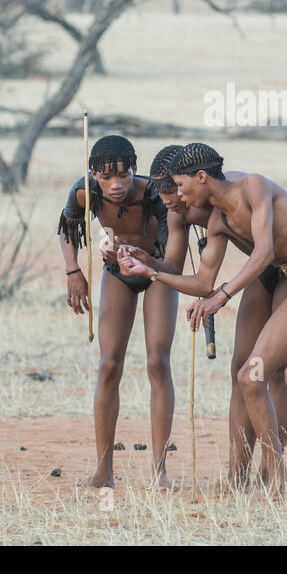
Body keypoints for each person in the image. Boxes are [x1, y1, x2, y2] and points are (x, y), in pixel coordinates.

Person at [153, 142, 287, 493]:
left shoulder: (253, 186)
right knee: (249, 375)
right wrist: (148, 270)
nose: (177, 195)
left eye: (180, 185)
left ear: (202, 176)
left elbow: (265, 251)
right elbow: (204, 281)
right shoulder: (217, 221)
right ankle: (274, 477)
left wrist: (223, 296)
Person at [118, 144, 287, 487]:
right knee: (240, 370)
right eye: (163, 194)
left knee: (272, 373)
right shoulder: (178, 209)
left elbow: (256, 256)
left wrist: (222, 295)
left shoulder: (230, 195)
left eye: (174, 191)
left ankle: (272, 471)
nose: (169, 202)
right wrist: (147, 263)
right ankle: (237, 476)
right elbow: (188, 276)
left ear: (192, 181)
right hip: (261, 273)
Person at [57, 135, 186, 490]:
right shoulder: (84, 192)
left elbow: (171, 256)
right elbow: (67, 227)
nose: (116, 185)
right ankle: (104, 472)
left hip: (157, 271)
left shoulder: (154, 194)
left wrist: (144, 259)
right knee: (109, 364)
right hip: (117, 272)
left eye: (124, 176)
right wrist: (73, 271)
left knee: (157, 362)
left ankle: (159, 472)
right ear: (93, 175)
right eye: (106, 177)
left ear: (134, 169)